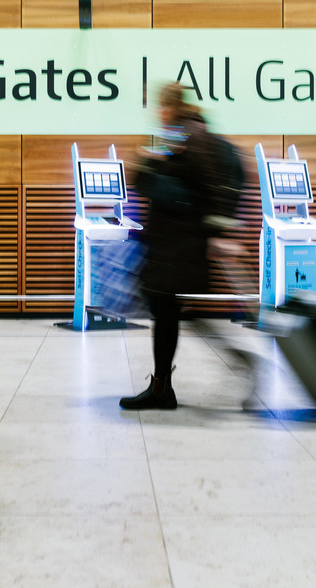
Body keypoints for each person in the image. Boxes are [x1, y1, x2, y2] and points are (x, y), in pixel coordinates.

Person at [120, 82, 242, 410]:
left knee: (166, 309)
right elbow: (180, 177)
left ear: (168, 106)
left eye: (160, 107)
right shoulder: (183, 133)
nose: (158, 113)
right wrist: (153, 164)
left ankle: (167, 387)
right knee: (169, 310)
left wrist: (220, 234)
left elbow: (208, 184)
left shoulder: (192, 134)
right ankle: (162, 387)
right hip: (173, 246)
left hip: (179, 248)